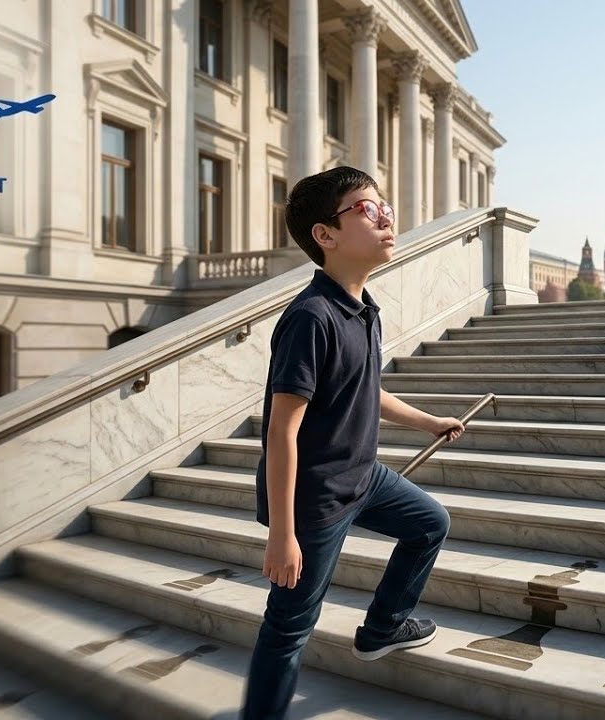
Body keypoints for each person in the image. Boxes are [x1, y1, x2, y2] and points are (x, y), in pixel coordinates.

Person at [241, 166, 465, 719]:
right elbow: (281, 429)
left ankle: (383, 626)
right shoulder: (311, 318)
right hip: (313, 501)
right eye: (367, 208)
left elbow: (369, 393)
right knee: (289, 627)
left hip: (363, 478)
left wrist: (429, 421)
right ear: (326, 235)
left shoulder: (363, 310)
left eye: (383, 204)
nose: (387, 215)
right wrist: (282, 536)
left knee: (430, 523)